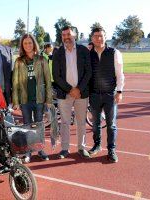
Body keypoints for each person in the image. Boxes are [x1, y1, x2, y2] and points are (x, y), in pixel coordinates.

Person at [52, 26, 92, 159]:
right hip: (65, 93)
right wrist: (70, 90)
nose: (66, 37)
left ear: (75, 35)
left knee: (81, 121)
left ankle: (81, 147)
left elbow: (88, 72)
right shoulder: (57, 52)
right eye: (63, 35)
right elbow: (56, 76)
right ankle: (65, 149)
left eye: (68, 34)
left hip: (81, 93)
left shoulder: (83, 50)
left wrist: (78, 89)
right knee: (64, 122)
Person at [12, 33, 52, 163]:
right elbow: (15, 82)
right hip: (25, 100)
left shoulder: (41, 59)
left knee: (39, 126)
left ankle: (40, 150)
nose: (28, 45)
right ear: (22, 46)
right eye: (25, 43)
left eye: (30, 43)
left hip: (39, 99)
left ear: (34, 44)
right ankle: (28, 151)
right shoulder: (19, 61)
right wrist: (16, 101)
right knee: (27, 126)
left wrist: (48, 99)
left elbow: (48, 80)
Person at [88, 27, 125, 163]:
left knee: (111, 125)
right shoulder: (89, 54)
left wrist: (119, 91)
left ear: (105, 37)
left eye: (101, 36)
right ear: (92, 38)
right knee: (95, 124)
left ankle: (111, 149)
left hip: (110, 95)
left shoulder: (114, 53)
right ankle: (97, 145)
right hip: (94, 95)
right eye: (96, 36)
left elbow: (120, 74)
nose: (99, 38)